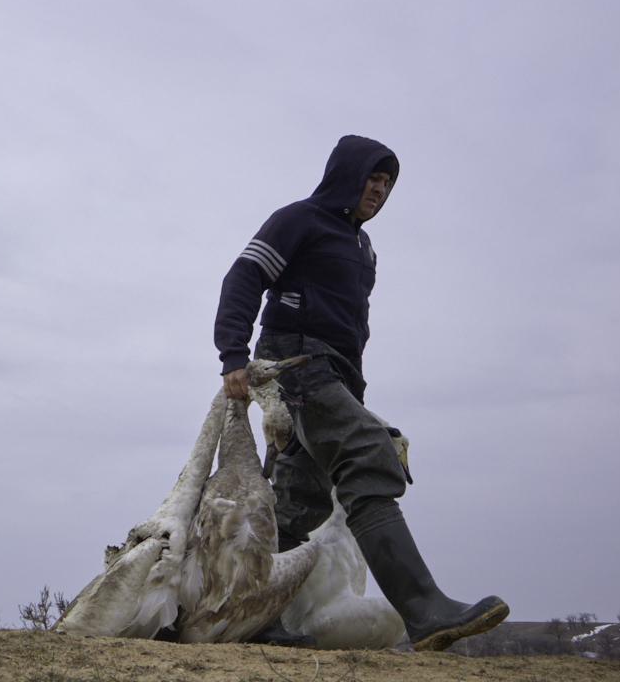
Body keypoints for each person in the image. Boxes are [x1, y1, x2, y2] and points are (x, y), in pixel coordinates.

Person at [214, 135, 508, 652]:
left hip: (337, 373)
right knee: (369, 450)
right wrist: (233, 355)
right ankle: (424, 609)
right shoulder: (299, 219)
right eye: (372, 178)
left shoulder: (363, 247)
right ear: (346, 175)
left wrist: (353, 389)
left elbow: (352, 329)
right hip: (296, 362)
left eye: (387, 183)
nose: (379, 189)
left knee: (295, 503)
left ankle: (251, 618)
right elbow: (244, 275)